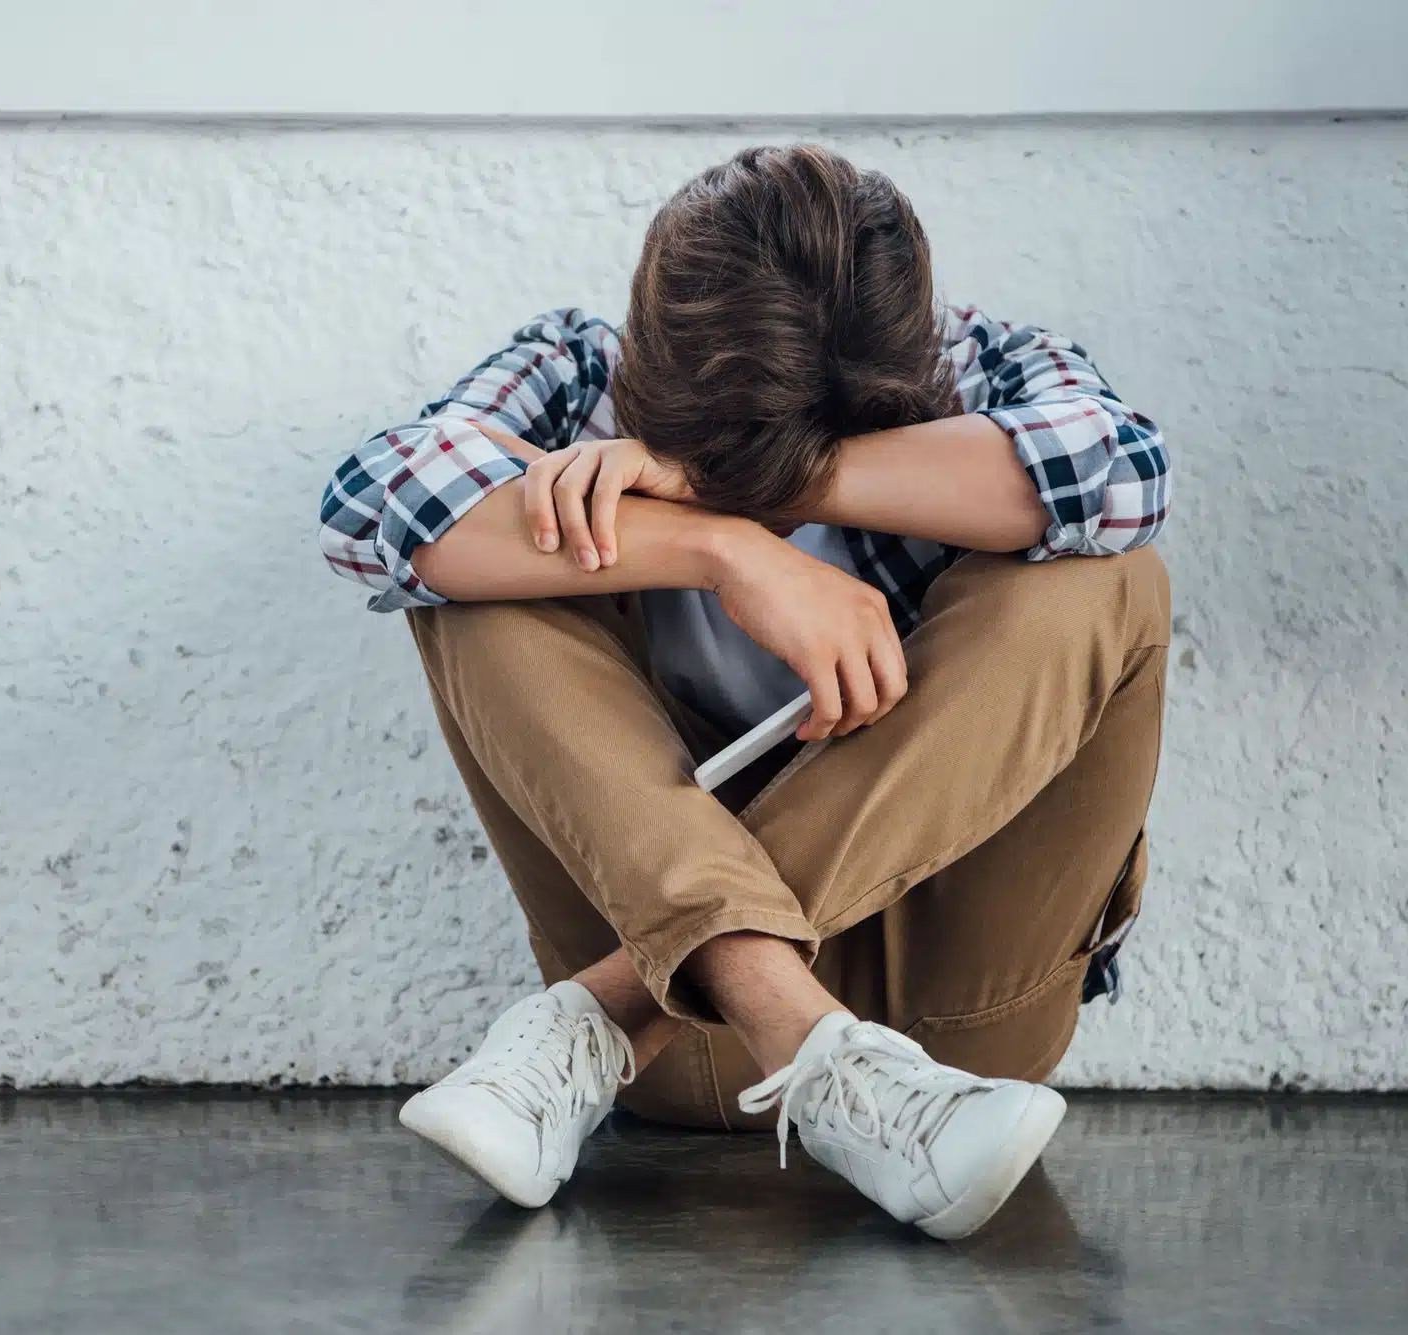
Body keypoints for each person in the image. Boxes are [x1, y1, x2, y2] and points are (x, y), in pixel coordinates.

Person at [317, 144, 1172, 1242]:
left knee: (1103, 574)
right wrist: (726, 551)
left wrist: (754, 471)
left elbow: (1126, 473)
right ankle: (780, 1025)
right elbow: (367, 506)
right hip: (694, 1055)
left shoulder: (983, 365)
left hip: (952, 1038)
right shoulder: (580, 373)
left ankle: (596, 1015)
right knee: (478, 564)